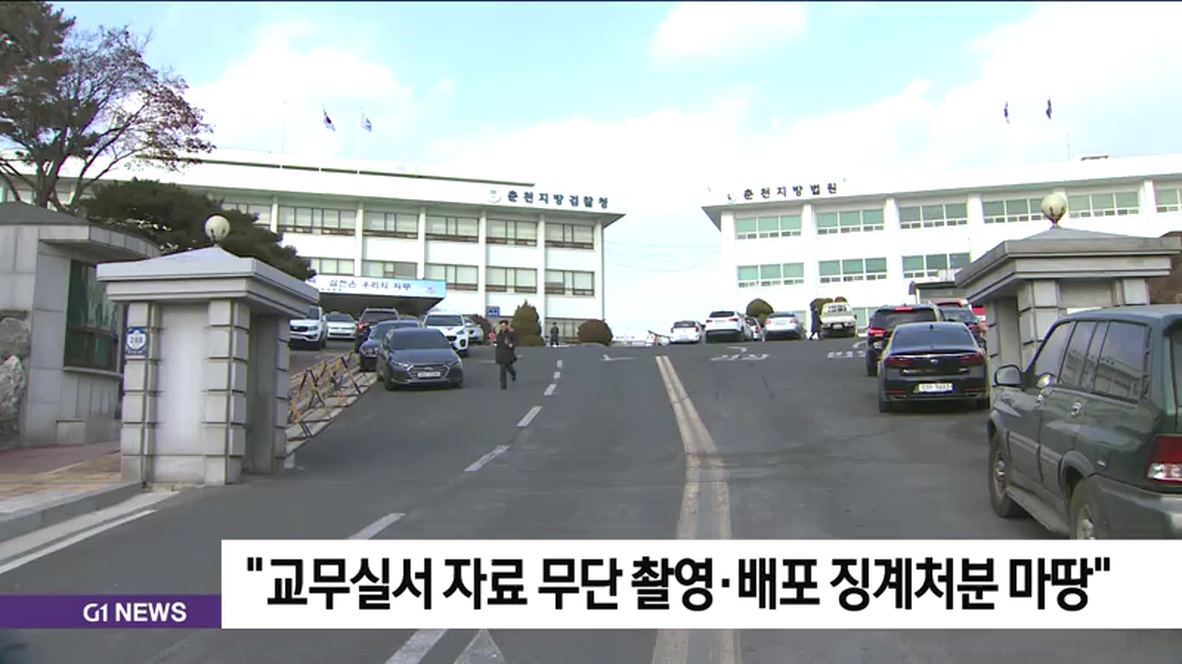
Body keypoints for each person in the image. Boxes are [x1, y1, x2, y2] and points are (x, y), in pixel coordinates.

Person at [495, 320, 518, 389]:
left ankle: (513, 373)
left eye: (504, 326)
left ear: (507, 326)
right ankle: (503, 385)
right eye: (501, 326)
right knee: (502, 369)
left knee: (508, 366)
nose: (503, 327)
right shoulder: (499, 335)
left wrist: (512, 345)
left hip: (508, 353)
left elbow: (516, 342)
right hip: (501, 354)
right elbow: (497, 344)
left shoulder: (510, 334)